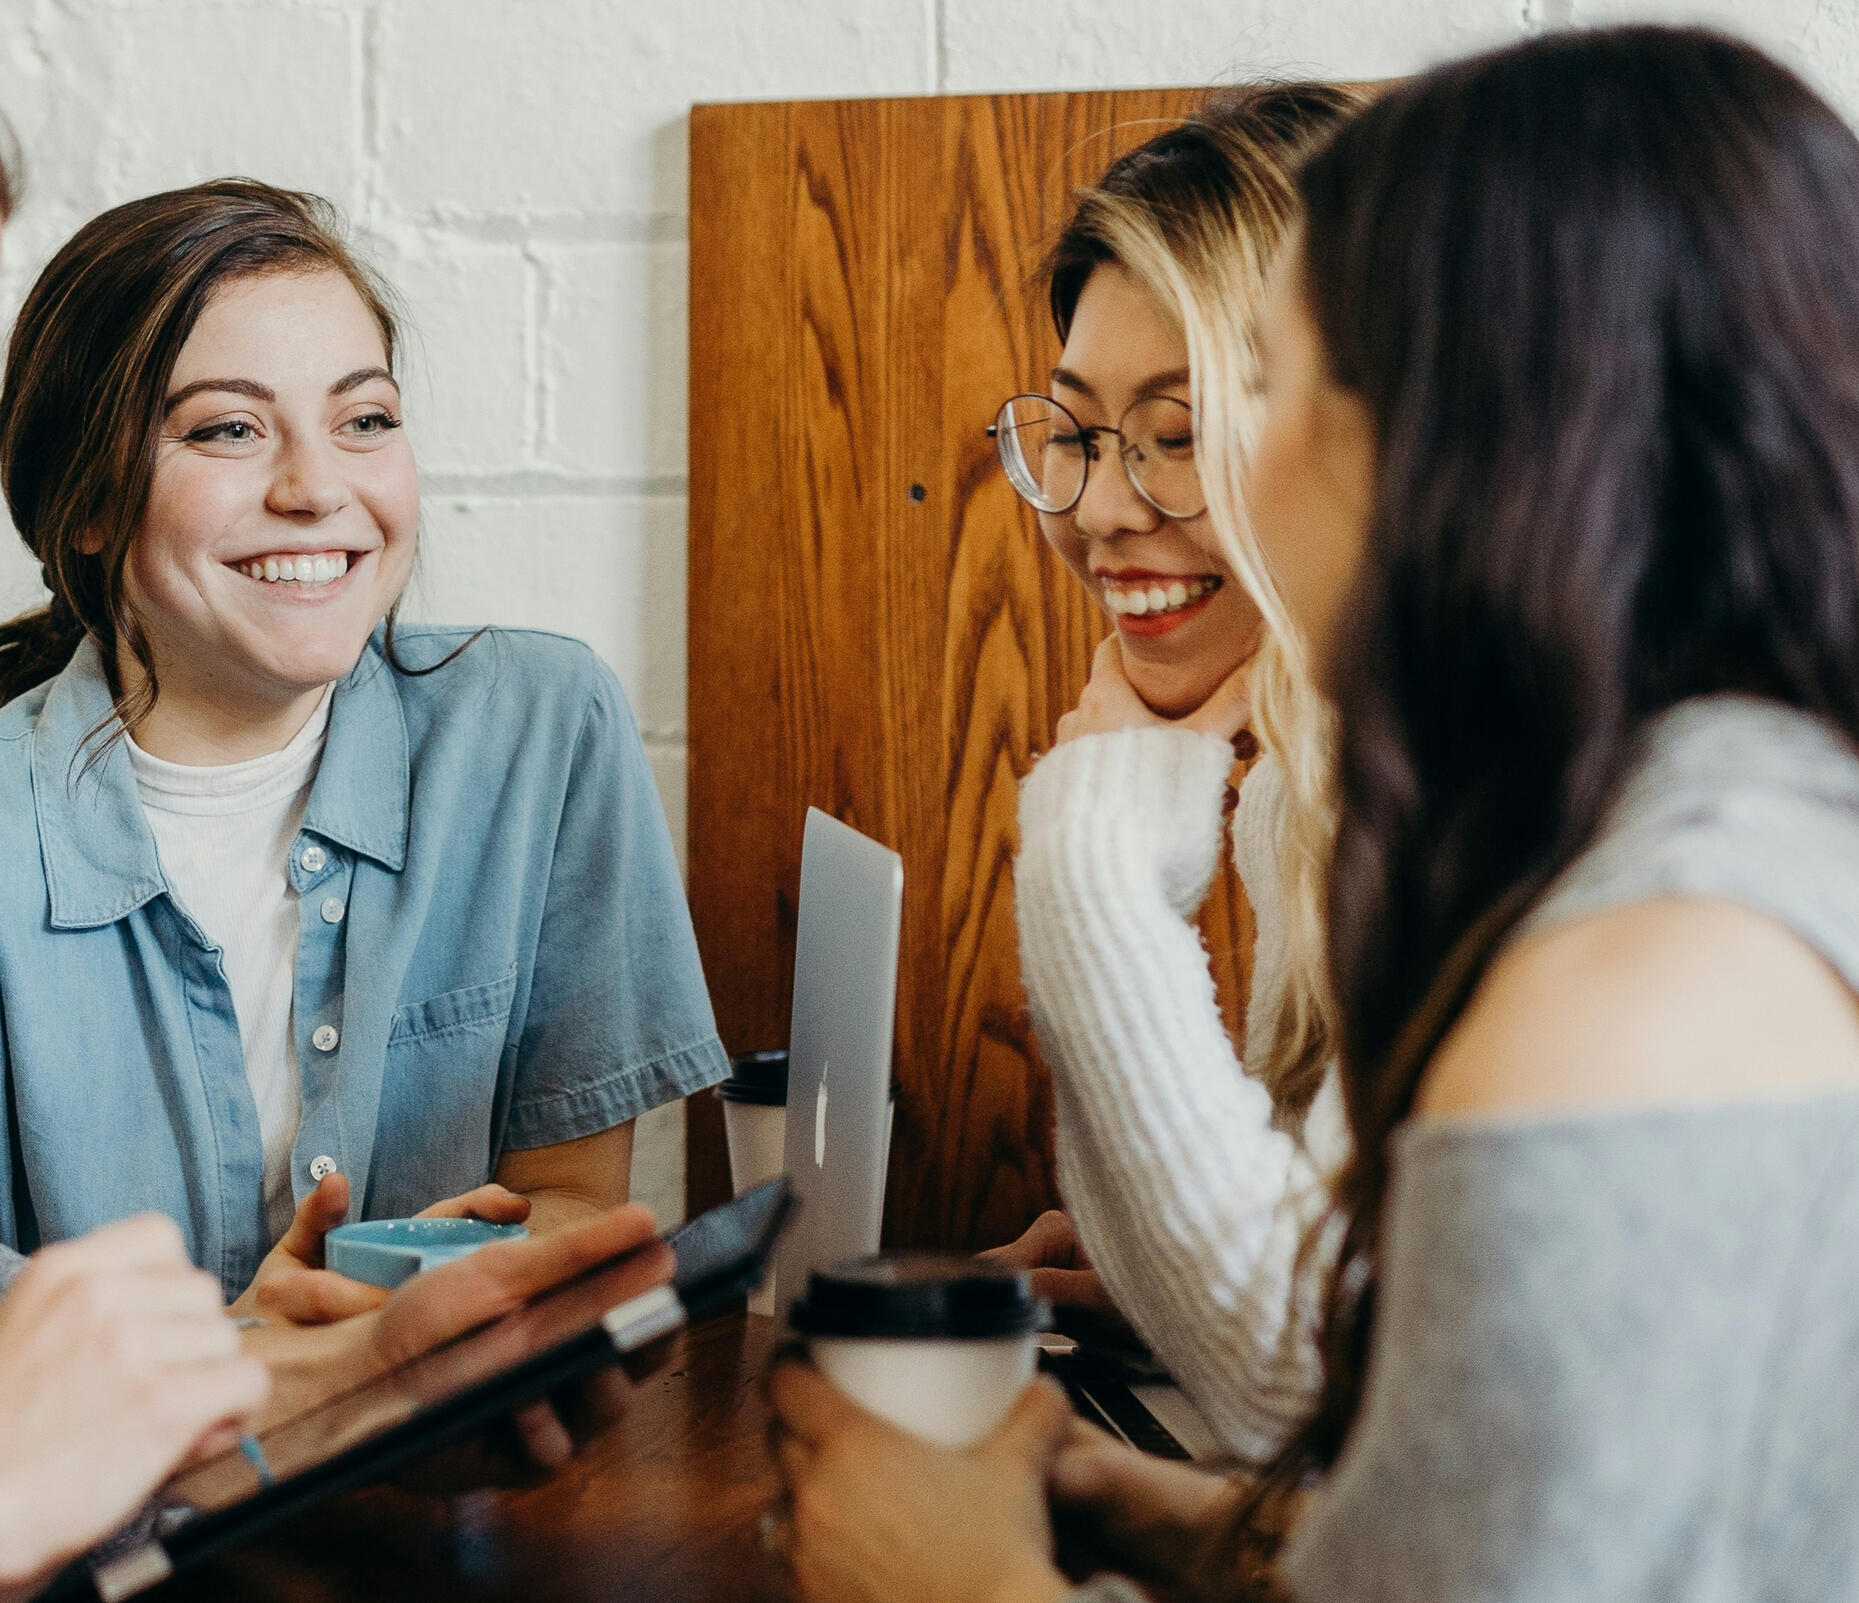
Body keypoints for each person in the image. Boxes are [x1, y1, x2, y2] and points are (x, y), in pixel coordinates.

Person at [768, 25, 1859, 1603]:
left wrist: (948, 1579)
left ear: (1472, 435)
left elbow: (1320, 1390)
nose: (1121, 495)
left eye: (1263, 389)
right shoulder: (1720, 830)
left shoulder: (1633, 985)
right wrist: (1162, 1514)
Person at [0, 179, 729, 1318]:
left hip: (444, 1474)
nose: (316, 488)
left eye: (365, 420)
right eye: (229, 429)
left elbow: (572, 1200)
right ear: (83, 506)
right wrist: (247, 1363)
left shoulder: (541, 730)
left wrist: (443, 1292)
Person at [980, 85, 1361, 1462]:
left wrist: (1089, 852)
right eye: (1074, 431)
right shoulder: (1303, 786)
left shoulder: (1466, 796)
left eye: (1180, 429)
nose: (1097, 507)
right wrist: (1151, 1266)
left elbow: (1295, 1382)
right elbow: (1314, 1315)